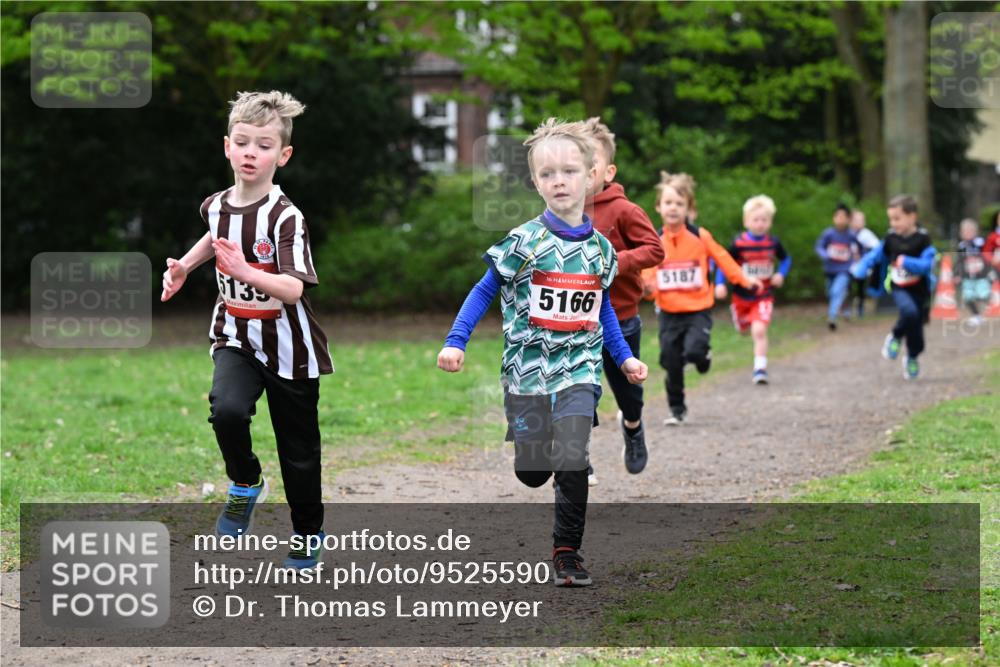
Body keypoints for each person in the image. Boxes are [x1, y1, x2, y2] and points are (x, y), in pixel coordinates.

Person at [437, 118, 648, 587]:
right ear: (535, 182)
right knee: (533, 472)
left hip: (579, 368)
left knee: (573, 454)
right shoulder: (523, 242)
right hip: (527, 374)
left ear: (591, 175)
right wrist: (456, 341)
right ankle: (534, 449)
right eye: (548, 174)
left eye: (569, 171)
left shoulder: (601, 252)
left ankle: (568, 552)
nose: (559, 181)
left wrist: (624, 358)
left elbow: (604, 311)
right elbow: (481, 292)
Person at [160, 91, 333, 570]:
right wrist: (185, 268)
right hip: (235, 333)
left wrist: (244, 271)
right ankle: (246, 482)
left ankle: (306, 535)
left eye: (263, 144)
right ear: (227, 148)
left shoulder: (285, 217)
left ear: (283, 155)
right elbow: (214, 238)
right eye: (243, 142)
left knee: (298, 451)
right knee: (228, 412)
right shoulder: (215, 205)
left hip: (288, 347)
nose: (251, 152)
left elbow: (293, 289)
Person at [641, 173, 762, 425]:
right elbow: (648, 275)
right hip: (668, 312)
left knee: (695, 351)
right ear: (658, 207)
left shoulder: (700, 236)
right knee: (670, 361)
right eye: (668, 203)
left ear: (689, 209)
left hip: (698, 309)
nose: (673, 208)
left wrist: (743, 279)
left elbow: (723, 258)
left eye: (679, 203)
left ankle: (702, 357)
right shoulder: (655, 241)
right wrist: (648, 288)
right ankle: (677, 409)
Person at [582, 117, 664, 481]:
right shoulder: (561, 212)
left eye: (591, 159)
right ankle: (578, 458)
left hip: (623, 317)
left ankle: (632, 427)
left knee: (628, 393)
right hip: (576, 322)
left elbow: (654, 249)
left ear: (608, 171)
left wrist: (618, 261)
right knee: (579, 390)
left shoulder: (624, 211)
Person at [851, 194, 936, 380]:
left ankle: (912, 356)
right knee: (909, 312)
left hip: (920, 289)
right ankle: (896, 336)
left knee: (917, 330)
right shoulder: (891, 238)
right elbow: (875, 255)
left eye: (897, 218)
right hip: (899, 286)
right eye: (891, 219)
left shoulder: (923, 239)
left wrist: (908, 262)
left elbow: (927, 264)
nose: (893, 223)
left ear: (912, 216)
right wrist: (861, 267)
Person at [715, 195, 790, 385]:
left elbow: (786, 259)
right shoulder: (739, 244)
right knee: (744, 330)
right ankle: (741, 320)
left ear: (770, 222)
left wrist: (780, 274)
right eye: (755, 219)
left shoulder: (773, 243)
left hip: (764, 295)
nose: (760, 224)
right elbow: (725, 263)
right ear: (746, 221)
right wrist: (720, 283)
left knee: (759, 330)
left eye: (764, 220)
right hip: (741, 297)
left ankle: (760, 369)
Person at [815, 203, 861, 330]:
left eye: (843, 217)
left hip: (844, 270)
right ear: (834, 218)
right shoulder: (828, 234)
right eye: (838, 216)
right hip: (830, 269)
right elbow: (819, 247)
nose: (840, 219)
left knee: (836, 291)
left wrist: (858, 260)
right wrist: (825, 255)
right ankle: (843, 307)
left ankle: (832, 317)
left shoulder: (851, 235)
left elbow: (859, 248)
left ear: (848, 219)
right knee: (830, 293)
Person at [955, 218, 991, 326]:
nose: (968, 233)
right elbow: (959, 261)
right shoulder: (961, 246)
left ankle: (982, 312)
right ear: (961, 233)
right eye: (965, 231)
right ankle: (976, 316)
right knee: (968, 297)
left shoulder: (981, 243)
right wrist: (957, 274)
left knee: (983, 295)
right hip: (967, 277)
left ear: (976, 232)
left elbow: (988, 256)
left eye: (970, 231)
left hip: (981, 276)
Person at [850, 209, 880, 317]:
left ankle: (860, 309)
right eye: (857, 220)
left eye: (862, 220)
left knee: (860, 288)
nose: (860, 222)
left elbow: (877, 248)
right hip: (848, 266)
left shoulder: (866, 235)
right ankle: (847, 309)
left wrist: (864, 256)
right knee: (847, 286)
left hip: (862, 266)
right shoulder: (848, 233)